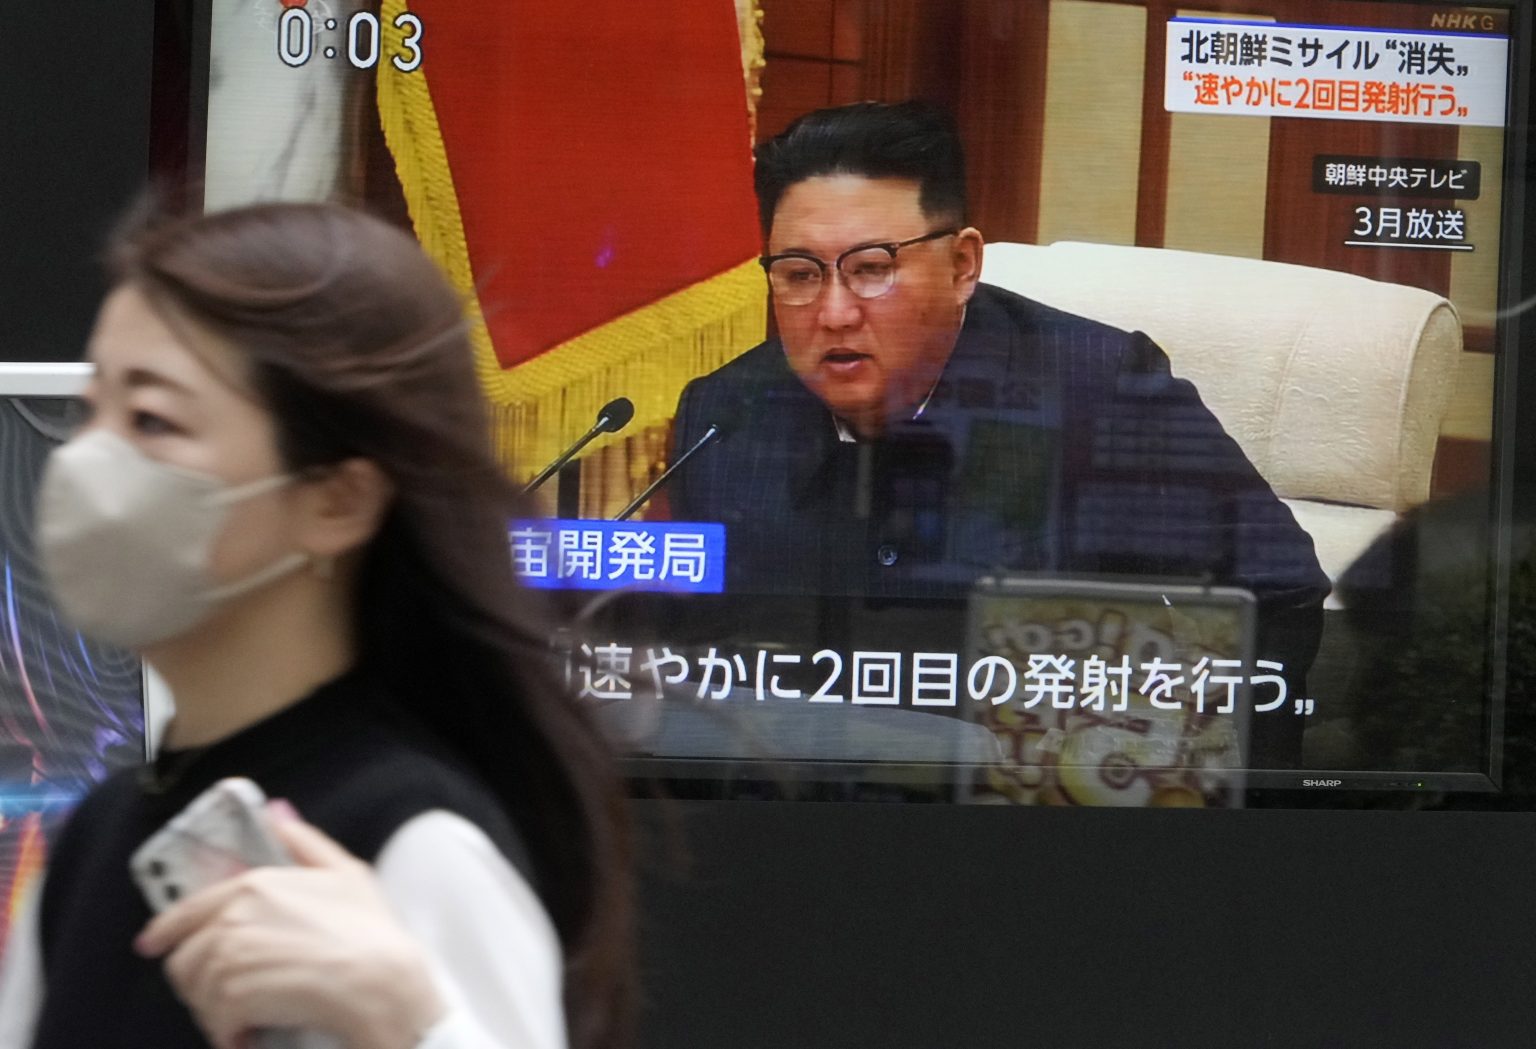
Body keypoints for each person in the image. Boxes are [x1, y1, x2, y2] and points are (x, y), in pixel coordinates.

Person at [0, 203, 631, 1049]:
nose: (86, 463)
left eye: (152, 420)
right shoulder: (93, 842)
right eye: (92, 413)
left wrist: (409, 1019)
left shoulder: (415, 843)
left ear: (338, 499)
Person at [668, 101, 1330, 758]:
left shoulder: (1103, 394)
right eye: (800, 275)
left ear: (962, 266)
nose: (834, 312)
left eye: (871, 268)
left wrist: (1205, 786)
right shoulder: (724, 417)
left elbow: (1278, 592)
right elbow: (692, 660)